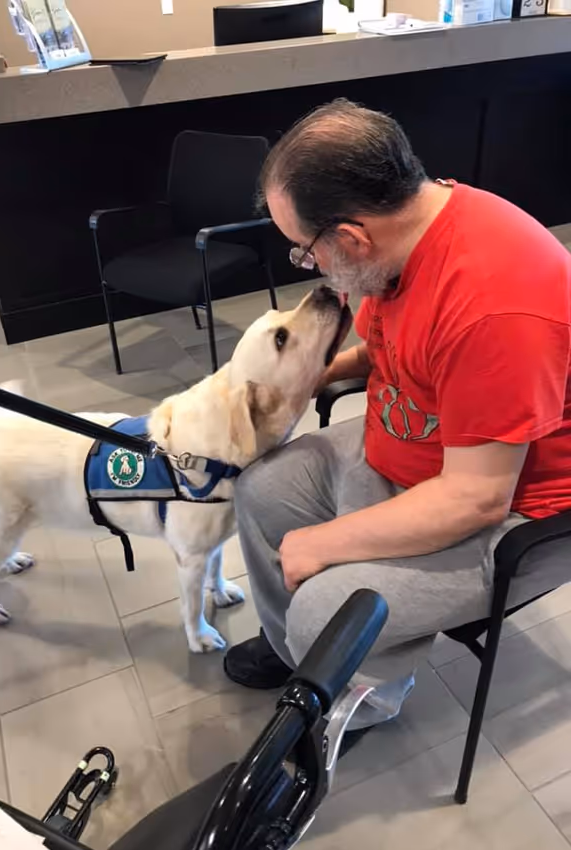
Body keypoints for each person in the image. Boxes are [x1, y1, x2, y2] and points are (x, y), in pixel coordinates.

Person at [223, 99, 571, 733]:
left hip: (513, 508)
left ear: (351, 236)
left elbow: (476, 500)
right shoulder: (402, 241)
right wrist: (316, 371)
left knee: (323, 609)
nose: (314, 269)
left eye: (306, 253)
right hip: (417, 442)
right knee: (260, 490)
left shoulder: (496, 305)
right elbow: (399, 350)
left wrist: (321, 542)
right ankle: (305, 664)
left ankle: (359, 704)